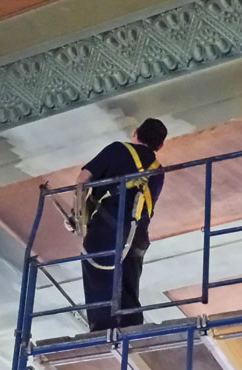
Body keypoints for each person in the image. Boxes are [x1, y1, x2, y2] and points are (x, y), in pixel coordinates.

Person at [75, 118, 167, 331]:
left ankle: (102, 331)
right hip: (137, 237)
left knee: (99, 280)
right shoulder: (158, 171)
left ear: (135, 133)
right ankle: (131, 329)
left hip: (105, 232)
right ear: (160, 146)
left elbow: (83, 179)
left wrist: (77, 217)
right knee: (128, 285)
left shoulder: (117, 149)